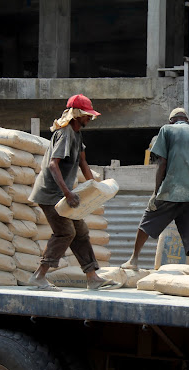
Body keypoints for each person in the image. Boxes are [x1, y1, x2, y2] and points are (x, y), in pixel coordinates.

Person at [28, 94, 120, 291]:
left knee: (81, 232)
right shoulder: (65, 134)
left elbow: (83, 163)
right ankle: (39, 275)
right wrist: (68, 193)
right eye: (87, 115)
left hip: (64, 194)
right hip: (51, 194)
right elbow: (54, 165)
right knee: (65, 232)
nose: (90, 119)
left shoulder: (77, 135)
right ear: (77, 114)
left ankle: (93, 277)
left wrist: (96, 189)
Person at [121, 108, 189, 273]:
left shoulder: (167, 129)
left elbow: (161, 163)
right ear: (186, 120)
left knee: (148, 219)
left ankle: (133, 259)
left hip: (173, 188)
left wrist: (155, 193)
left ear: (172, 120)